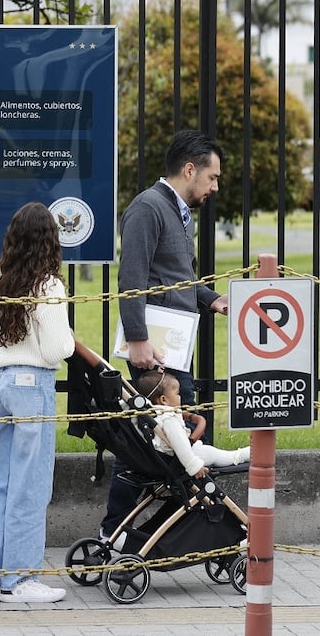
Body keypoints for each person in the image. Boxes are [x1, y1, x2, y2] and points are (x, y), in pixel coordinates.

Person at [102, 129, 229, 538]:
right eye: (211, 177)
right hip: (156, 352)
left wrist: (211, 299)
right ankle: (115, 531)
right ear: (189, 170)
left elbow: (176, 277)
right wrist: (138, 339)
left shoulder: (176, 210)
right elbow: (132, 277)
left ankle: (151, 533)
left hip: (174, 347)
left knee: (166, 443)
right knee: (152, 444)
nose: (215, 187)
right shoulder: (148, 208)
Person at [0, 202, 75, 605]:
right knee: (30, 487)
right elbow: (58, 348)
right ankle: (19, 579)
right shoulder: (48, 285)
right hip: (33, 385)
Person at [136, 369, 249, 478]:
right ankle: (248, 454)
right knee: (225, 456)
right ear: (164, 400)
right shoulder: (168, 418)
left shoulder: (150, 415)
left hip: (167, 458)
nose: (180, 397)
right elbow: (180, 443)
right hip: (191, 454)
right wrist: (194, 466)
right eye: (177, 393)